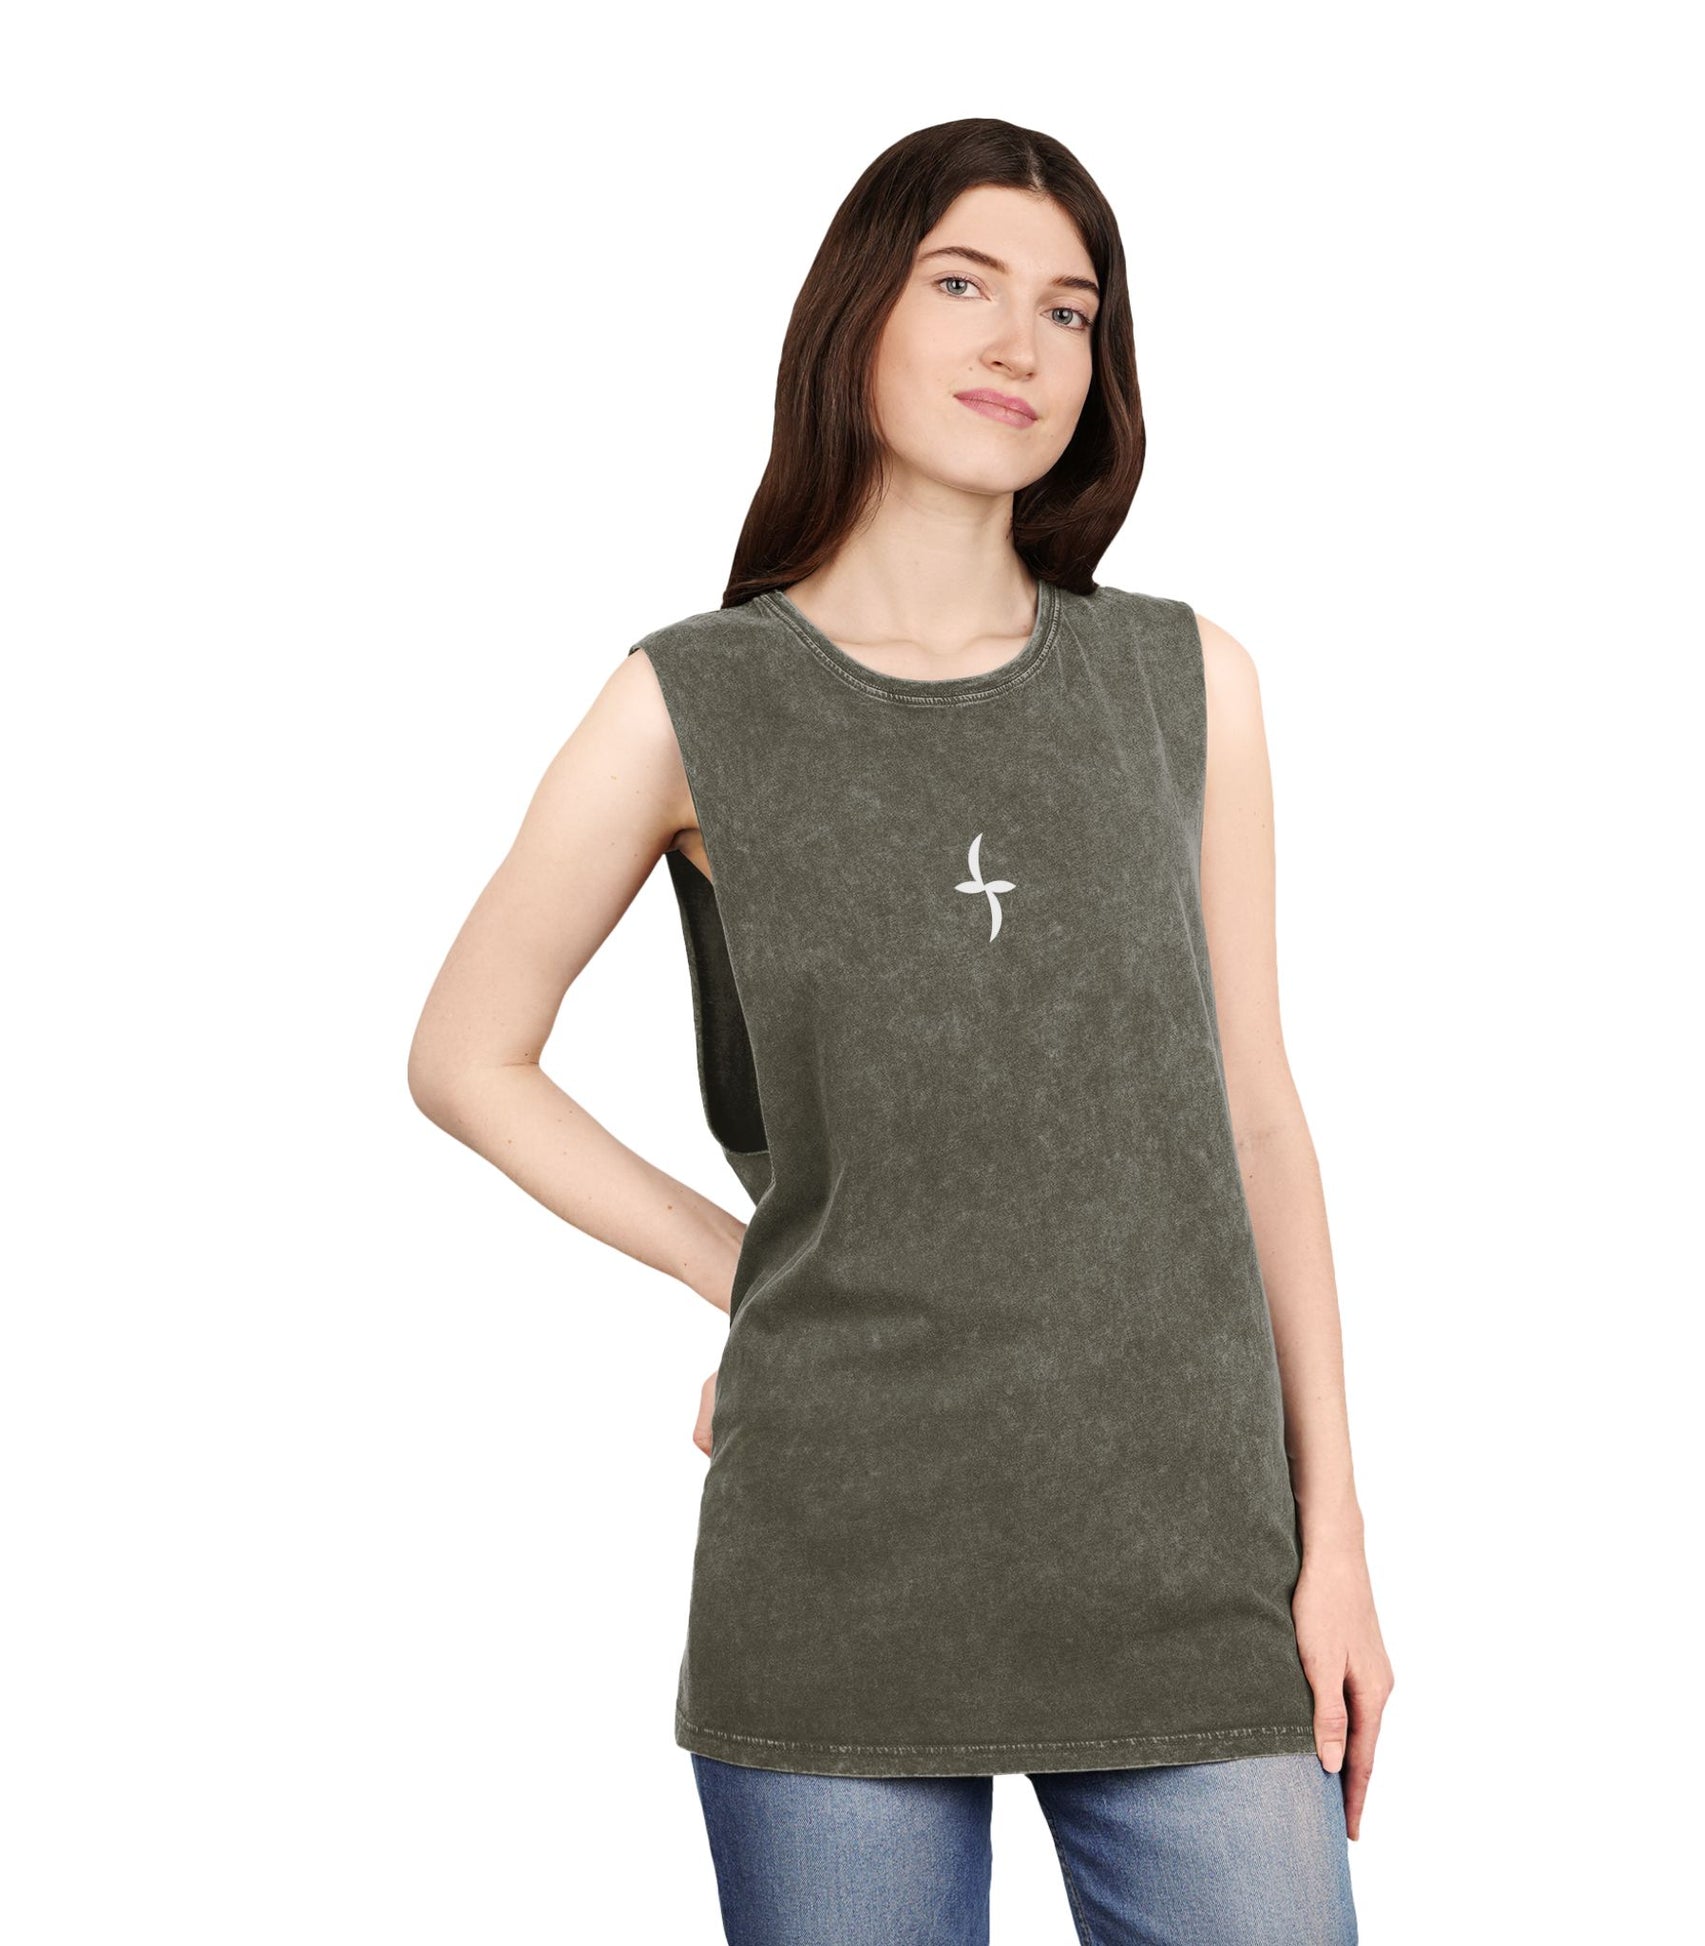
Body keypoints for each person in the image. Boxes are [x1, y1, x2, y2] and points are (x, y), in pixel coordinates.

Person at [409, 117, 1393, 1946]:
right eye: (964, 284)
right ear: (858, 311)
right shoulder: (690, 702)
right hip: (839, 1563)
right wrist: (744, 1272)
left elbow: (1256, 1116)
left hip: (1187, 1561)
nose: (1021, 343)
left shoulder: (1184, 682)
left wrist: (1331, 1537)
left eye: (1069, 310)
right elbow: (466, 1055)